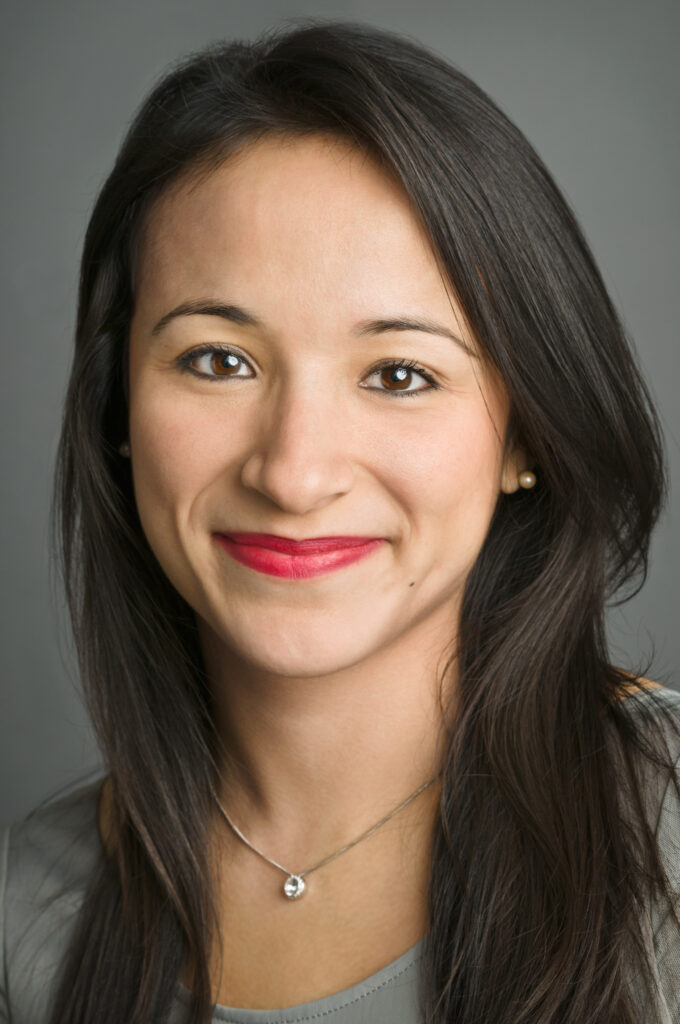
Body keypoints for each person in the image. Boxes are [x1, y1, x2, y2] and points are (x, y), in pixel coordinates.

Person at [1, 19, 679, 1024]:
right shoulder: (28, 913)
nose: (293, 470)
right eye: (216, 360)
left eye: (398, 374)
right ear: (116, 412)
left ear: (523, 436)